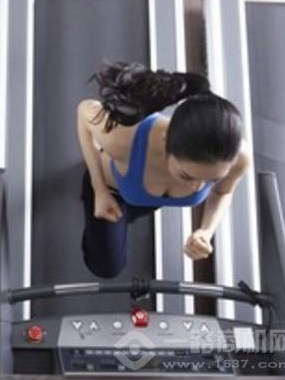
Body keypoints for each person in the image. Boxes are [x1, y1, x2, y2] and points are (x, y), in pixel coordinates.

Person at [76, 61, 251, 279]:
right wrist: (99, 190)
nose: (196, 187)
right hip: (113, 191)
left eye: (211, 180)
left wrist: (206, 231)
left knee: (132, 215)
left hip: (148, 197)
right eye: (186, 175)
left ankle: (130, 214)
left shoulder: (239, 159)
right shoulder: (121, 140)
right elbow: (83, 111)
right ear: (166, 141)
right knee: (106, 268)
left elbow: (223, 192)